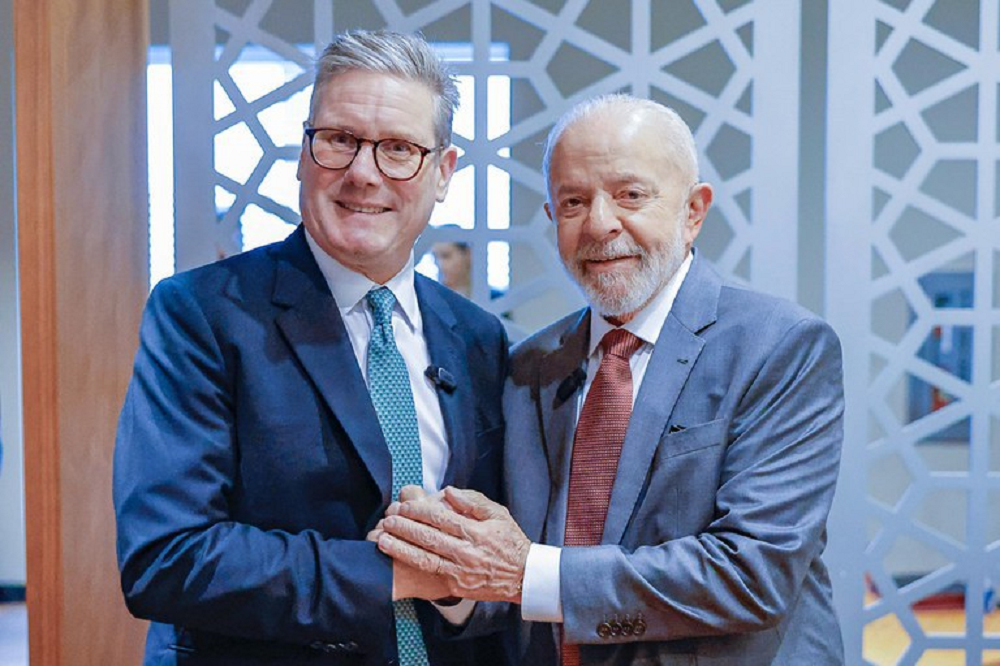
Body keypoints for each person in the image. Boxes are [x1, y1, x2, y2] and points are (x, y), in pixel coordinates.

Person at [375, 94, 846, 664]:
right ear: (552, 219)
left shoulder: (780, 346)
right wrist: (453, 572)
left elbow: (752, 575)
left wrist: (524, 572)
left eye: (631, 195)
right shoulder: (530, 367)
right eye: (573, 202)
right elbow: (521, 579)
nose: (600, 224)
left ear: (693, 211)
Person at [113, 29, 508, 666]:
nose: (363, 173)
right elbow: (166, 556)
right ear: (303, 152)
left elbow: (491, 552)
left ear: (443, 173)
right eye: (339, 139)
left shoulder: (480, 338)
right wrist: (398, 575)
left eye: (399, 149)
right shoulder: (202, 313)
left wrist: (464, 591)